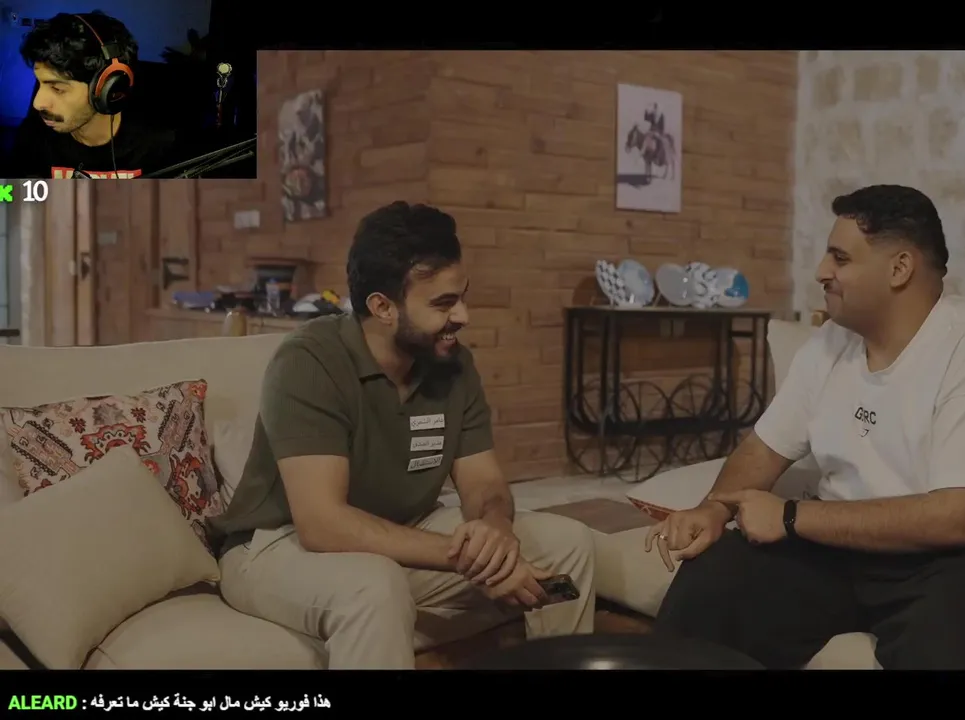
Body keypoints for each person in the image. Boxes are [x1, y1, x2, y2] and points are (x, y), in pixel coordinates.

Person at [645, 185, 965, 670]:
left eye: (840, 258)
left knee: (950, 635)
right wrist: (713, 508)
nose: (821, 271)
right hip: (850, 546)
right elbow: (762, 450)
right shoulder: (829, 344)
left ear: (900, 268)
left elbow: (956, 519)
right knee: (717, 577)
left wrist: (790, 517)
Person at [209, 202, 597, 669]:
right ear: (383, 307)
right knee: (374, 586)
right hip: (274, 546)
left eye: (462, 297)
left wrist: (495, 531)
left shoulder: (453, 365)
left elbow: (483, 482)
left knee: (566, 542)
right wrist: (469, 559)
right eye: (443, 304)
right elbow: (322, 524)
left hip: (403, 531)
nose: (464, 316)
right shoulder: (309, 362)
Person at [7, 12, 175, 179]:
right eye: (39, 82)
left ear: (107, 89)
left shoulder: (160, 145)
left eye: (58, 89)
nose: (37, 103)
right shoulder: (32, 138)